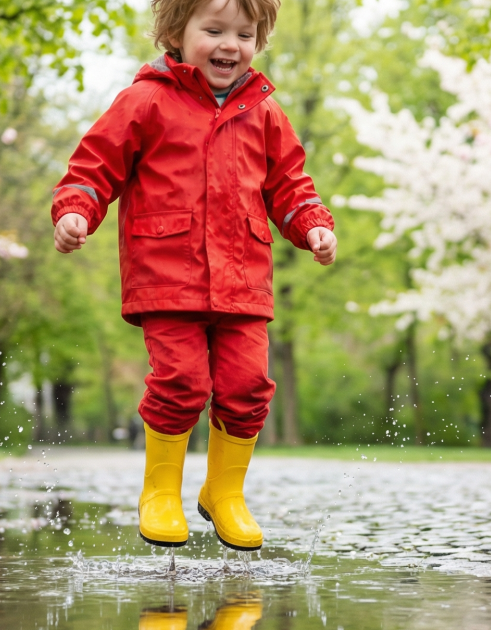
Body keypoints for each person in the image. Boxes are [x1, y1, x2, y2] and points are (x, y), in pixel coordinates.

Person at [50, 0, 336, 552]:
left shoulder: (266, 112)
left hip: (244, 280)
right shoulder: (145, 101)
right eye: (214, 30)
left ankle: (224, 492)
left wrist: (313, 225)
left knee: (248, 387)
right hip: (168, 275)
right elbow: (94, 166)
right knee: (181, 382)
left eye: (245, 34)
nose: (231, 45)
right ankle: (160, 491)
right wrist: (75, 211)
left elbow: (291, 185)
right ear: (175, 33)